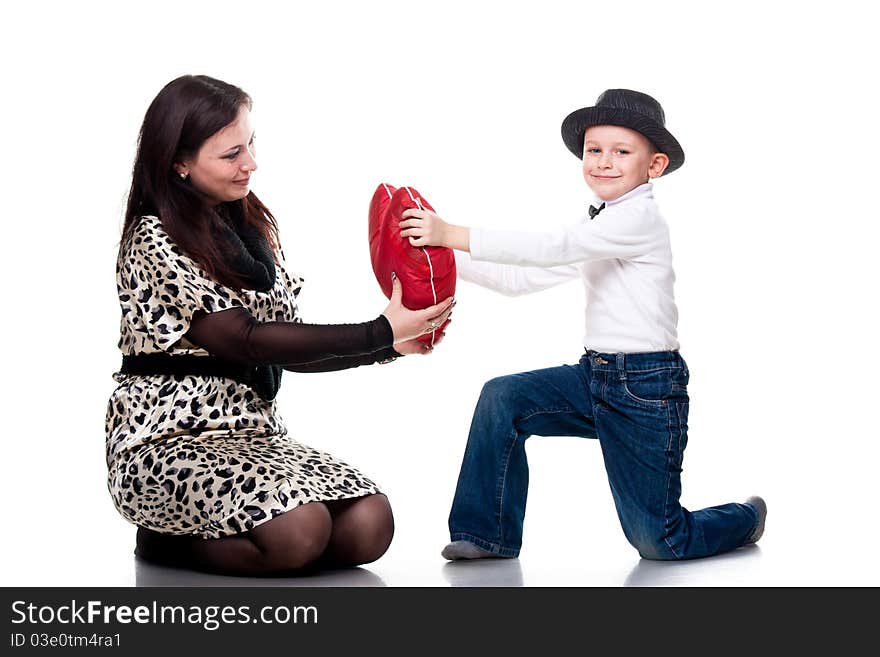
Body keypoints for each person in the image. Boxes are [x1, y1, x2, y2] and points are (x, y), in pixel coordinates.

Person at [106, 75, 454, 576]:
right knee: (300, 531)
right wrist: (378, 330)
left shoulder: (250, 229)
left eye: (250, 145)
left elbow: (285, 350)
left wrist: (393, 345)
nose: (250, 163)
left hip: (252, 435)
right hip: (165, 442)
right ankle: (165, 542)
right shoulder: (154, 238)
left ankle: (270, 545)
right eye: (230, 154)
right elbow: (244, 341)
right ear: (179, 162)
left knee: (370, 524)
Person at [399, 89, 766, 561]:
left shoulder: (639, 220)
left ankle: (745, 518)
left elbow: (553, 246)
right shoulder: (600, 225)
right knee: (503, 397)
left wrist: (453, 232)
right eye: (595, 150)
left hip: (647, 389)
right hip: (593, 377)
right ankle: (485, 533)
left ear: (653, 167)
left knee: (663, 540)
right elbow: (522, 277)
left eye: (621, 152)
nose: (603, 162)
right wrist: (441, 256)